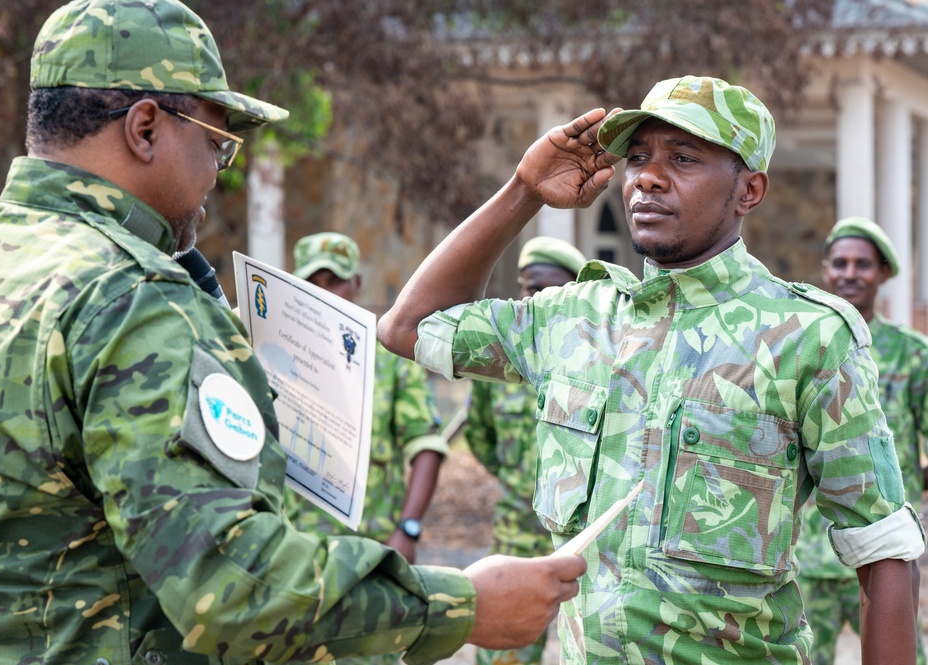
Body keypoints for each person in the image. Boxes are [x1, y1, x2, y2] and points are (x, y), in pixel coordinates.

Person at [0, 1, 586, 662]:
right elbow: (232, 587)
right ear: (146, 128)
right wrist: (460, 605)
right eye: (216, 141)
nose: (221, 170)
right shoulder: (130, 297)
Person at [377, 75, 926, 664]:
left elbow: (883, 550)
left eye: (683, 158)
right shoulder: (574, 319)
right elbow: (408, 327)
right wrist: (523, 189)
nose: (647, 177)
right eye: (637, 158)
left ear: (749, 190)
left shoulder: (809, 335)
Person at [797, 216, 928, 665]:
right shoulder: (808, 348)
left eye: (863, 264)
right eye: (840, 263)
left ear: (883, 274)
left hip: (883, 553)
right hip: (810, 555)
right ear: (826, 270)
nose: (849, 273)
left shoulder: (912, 353)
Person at [287, 231, 447, 567]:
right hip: (297, 548)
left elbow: (425, 444)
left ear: (357, 283)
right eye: (312, 281)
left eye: (335, 280)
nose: (324, 292)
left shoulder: (387, 357)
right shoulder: (281, 352)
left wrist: (408, 529)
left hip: (374, 547)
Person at [464, 236, 587, 665]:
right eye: (526, 287)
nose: (531, 299)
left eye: (545, 289)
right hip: (518, 531)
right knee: (506, 655)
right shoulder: (502, 363)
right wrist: (518, 482)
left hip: (587, 538)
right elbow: (479, 435)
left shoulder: (598, 362)